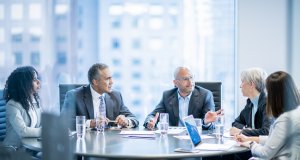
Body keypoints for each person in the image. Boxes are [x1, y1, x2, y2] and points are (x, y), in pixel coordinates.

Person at [236, 71, 300, 159]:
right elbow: (274, 139)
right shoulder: (295, 112)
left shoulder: (285, 119)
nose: (266, 94)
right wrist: (249, 139)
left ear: (275, 94)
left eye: (268, 91)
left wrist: (251, 144)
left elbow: (265, 153)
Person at [61, 63, 139, 129]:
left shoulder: (116, 95)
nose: (112, 82)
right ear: (95, 82)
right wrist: (90, 123)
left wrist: (126, 121)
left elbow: (134, 118)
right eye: (108, 79)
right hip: (87, 143)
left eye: (111, 78)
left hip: (110, 143)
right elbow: (64, 121)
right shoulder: (74, 96)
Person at [143, 67, 222, 130]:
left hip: (196, 139)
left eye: (191, 77)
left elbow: (211, 126)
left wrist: (206, 122)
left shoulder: (206, 95)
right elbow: (153, 115)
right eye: (185, 79)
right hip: (174, 141)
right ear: (176, 83)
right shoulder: (167, 95)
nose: (190, 82)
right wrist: (150, 122)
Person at [3, 66, 42, 149]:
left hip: (30, 147)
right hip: (14, 150)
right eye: (35, 80)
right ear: (24, 84)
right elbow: (23, 131)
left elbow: (41, 124)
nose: (38, 82)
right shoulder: (12, 105)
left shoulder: (34, 101)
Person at [230, 68, 271, 136]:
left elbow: (266, 132)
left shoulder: (267, 103)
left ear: (252, 84)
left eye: (242, 82)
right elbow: (236, 123)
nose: (240, 86)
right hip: (253, 144)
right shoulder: (250, 103)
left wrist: (242, 131)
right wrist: (244, 128)